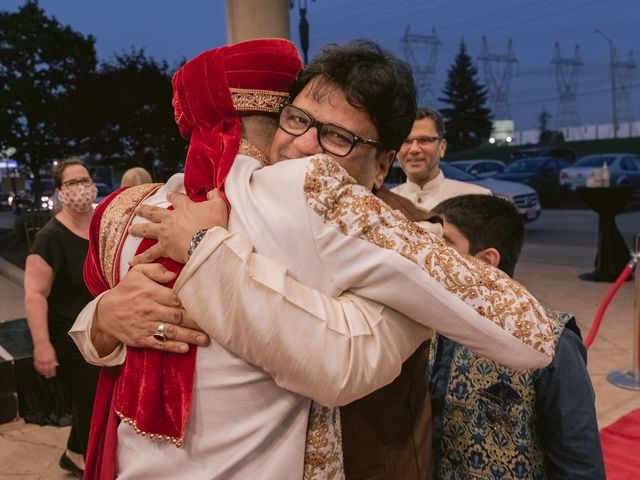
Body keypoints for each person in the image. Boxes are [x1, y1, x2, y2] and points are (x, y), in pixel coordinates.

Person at [72, 40, 555, 479]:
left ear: (383, 164)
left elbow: (338, 363)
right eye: (297, 120)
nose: (305, 148)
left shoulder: (380, 222)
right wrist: (105, 320)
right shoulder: (173, 207)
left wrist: (205, 249)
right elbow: (102, 338)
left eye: (337, 138)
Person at [429, 194, 605, 479]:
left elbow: (579, 462)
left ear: (486, 261)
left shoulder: (550, 341)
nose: (430, 254)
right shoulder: (430, 323)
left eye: (444, 244)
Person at [24, 158, 100, 478]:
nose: (80, 189)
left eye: (84, 181)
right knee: (90, 402)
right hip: (68, 335)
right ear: (59, 192)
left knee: (96, 399)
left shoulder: (100, 222)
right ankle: (95, 467)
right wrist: (42, 346)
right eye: (71, 183)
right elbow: (34, 295)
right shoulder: (50, 238)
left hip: (100, 329)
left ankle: (74, 454)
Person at [392, 108, 489, 210]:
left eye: (424, 140)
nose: (414, 149)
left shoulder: (477, 201)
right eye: (406, 141)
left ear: (442, 147)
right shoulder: (383, 204)